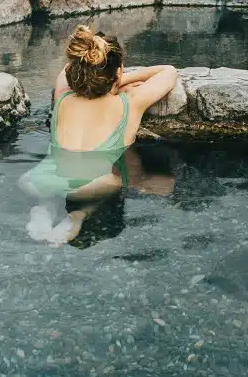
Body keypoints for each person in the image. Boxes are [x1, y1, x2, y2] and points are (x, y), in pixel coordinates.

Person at [19, 26, 179, 245]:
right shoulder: (130, 103)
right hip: (91, 188)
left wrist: (108, 77)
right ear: (117, 73)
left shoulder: (63, 96)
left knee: (56, 180)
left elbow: (68, 70)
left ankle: (45, 207)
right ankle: (80, 214)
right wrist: (121, 80)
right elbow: (169, 72)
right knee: (123, 180)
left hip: (35, 181)